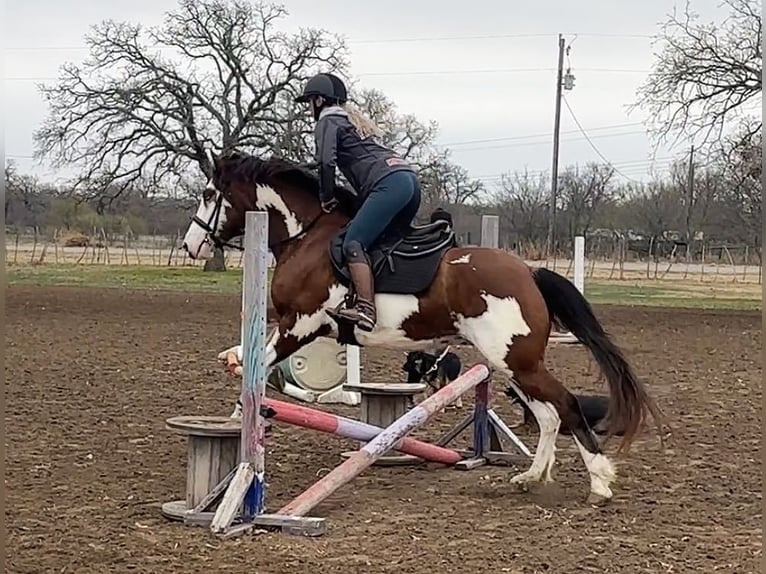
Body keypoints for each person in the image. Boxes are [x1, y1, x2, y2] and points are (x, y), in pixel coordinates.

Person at [295, 72, 422, 332]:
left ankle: (365, 309)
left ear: (319, 100)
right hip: (409, 181)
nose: (308, 108)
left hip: (389, 184)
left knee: (354, 243)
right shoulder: (352, 122)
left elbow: (326, 161)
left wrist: (326, 197)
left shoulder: (327, 122)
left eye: (309, 102)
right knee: (385, 243)